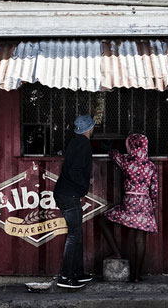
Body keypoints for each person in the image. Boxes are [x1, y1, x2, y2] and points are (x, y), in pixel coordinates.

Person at [101, 133, 159, 282]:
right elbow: (154, 190)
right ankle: (137, 276)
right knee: (140, 239)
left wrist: (110, 147)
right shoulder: (150, 165)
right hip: (145, 203)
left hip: (129, 202)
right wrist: (153, 204)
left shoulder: (126, 162)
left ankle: (116, 252)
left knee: (103, 221)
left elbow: (113, 154)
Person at [53, 114, 95, 289]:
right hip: (69, 195)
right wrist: (81, 189)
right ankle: (66, 277)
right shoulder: (84, 144)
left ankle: (78, 273)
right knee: (74, 235)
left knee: (76, 234)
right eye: (92, 127)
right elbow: (77, 170)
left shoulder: (73, 142)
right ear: (89, 128)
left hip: (63, 192)